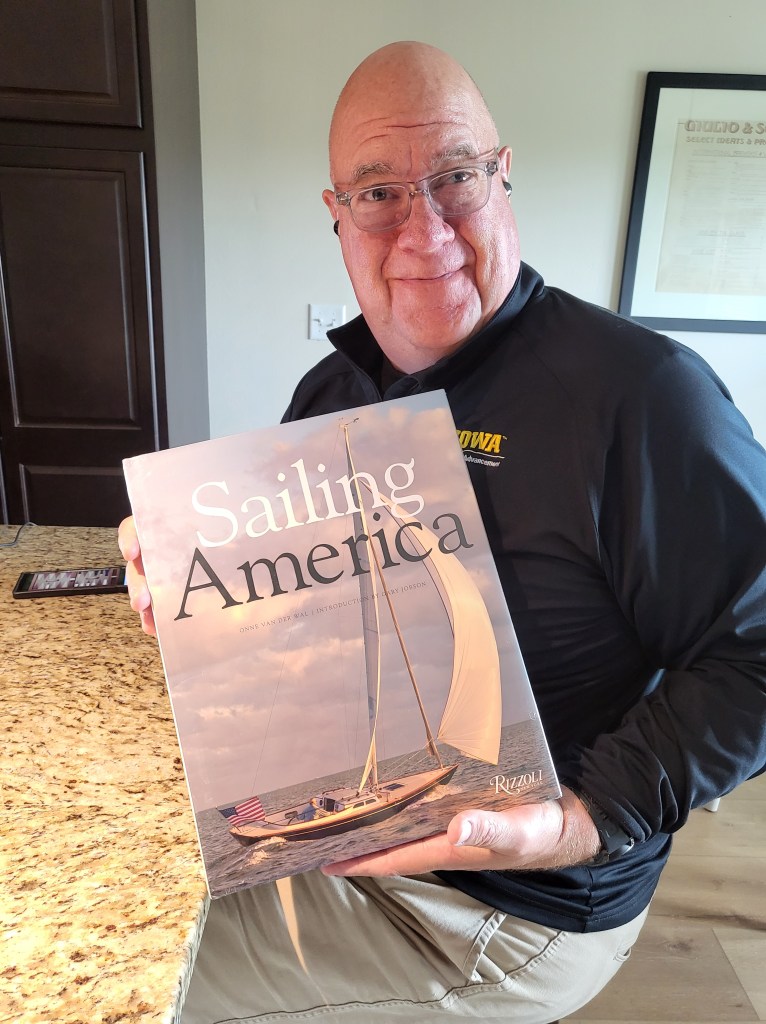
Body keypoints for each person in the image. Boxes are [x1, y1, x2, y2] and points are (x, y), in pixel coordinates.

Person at [119, 41, 766, 1023]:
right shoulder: (329, 392)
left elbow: (757, 650)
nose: (425, 229)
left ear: (502, 176)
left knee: (117, 988)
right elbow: (316, 626)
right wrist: (201, 599)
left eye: (455, 177)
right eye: (377, 193)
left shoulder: (640, 396)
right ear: (335, 215)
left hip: (502, 902)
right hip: (337, 827)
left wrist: (579, 820)